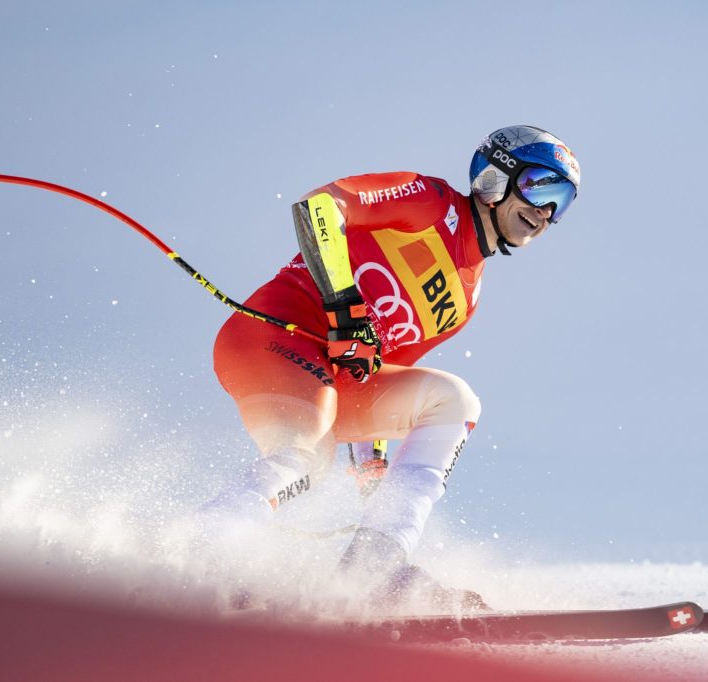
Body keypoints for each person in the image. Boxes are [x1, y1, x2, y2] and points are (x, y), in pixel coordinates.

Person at [208, 125, 581, 611]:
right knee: (304, 456)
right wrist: (343, 305)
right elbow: (319, 207)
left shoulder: (465, 299)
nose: (546, 211)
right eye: (539, 186)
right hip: (272, 337)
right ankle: (201, 551)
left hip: (328, 377)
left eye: (562, 200)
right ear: (495, 178)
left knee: (454, 402)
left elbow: (374, 371)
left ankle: (374, 569)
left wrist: (372, 466)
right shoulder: (430, 202)